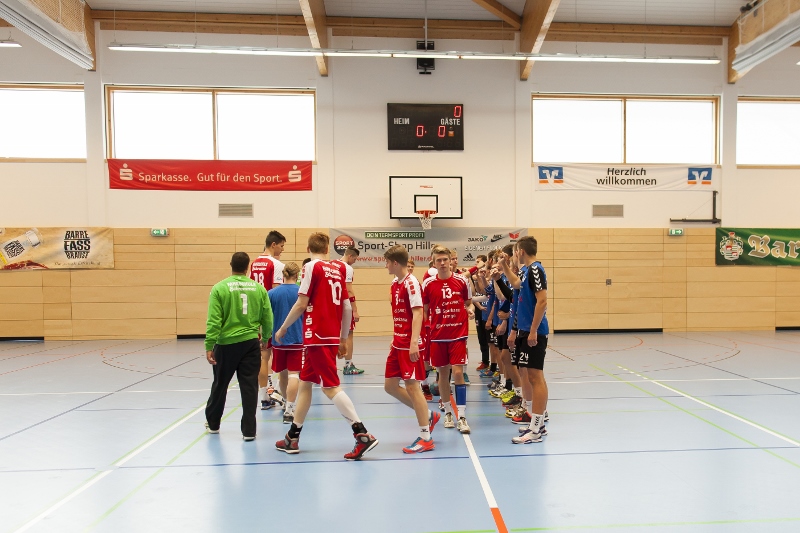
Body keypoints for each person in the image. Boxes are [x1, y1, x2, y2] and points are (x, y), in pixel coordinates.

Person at [274, 233, 378, 460]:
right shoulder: (339, 268)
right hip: (330, 334)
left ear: (308, 248)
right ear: (328, 248)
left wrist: (282, 328)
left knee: (330, 387)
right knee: (305, 384)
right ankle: (293, 437)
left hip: (316, 335)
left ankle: (361, 434)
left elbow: (301, 303)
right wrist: (342, 338)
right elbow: (347, 307)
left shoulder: (311, 267)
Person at [204, 252, 273, 441]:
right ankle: (249, 431)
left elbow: (214, 320)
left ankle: (214, 424)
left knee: (220, 384)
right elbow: (267, 316)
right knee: (249, 386)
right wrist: (265, 337)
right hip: (250, 343)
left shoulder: (219, 288)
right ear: (248, 267)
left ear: (231, 265)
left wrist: (209, 344)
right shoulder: (259, 289)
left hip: (225, 344)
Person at [383, 245, 441, 453]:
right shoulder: (394, 283)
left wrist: (414, 342)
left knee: (412, 387)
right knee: (390, 386)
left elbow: (418, 313)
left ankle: (426, 437)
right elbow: (399, 314)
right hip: (398, 342)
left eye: (387, 262)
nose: (386, 266)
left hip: (410, 343)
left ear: (395, 263)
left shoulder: (411, 283)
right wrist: (395, 336)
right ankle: (429, 415)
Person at [499, 236, 550, 444]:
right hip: (524, 330)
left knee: (536, 377)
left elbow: (542, 301)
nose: (514, 255)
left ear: (520, 251)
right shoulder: (526, 271)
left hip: (533, 332)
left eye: (515, 252)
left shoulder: (536, 269)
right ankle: (538, 424)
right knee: (530, 376)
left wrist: (533, 330)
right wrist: (504, 265)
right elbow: (515, 284)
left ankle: (536, 429)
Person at [422, 245, 474, 434]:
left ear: (451, 261)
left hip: (458, 334)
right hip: (438, 337)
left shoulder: (462, 281)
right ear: (434, 262)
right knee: (443, 375)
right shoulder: (428, 284)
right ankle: (448, 413)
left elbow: (469, 303)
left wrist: (470, 310)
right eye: (439, 260)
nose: (443, 263)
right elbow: (424, 311)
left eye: (445, 259)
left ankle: (462, 416)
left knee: (458, 373)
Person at [249, 230, 286, 409]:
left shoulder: (254, 263)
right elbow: (276, 291)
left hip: (256, 315)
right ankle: (277, 391)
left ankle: (264, 397)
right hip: (271, 315)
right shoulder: (276, 264)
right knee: (280, 355)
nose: (282, 249)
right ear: (273, 244)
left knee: (263, 356)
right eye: (281, 246)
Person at [268, 262, 303, 424]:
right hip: (297, 338)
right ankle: (290, 408)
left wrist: (265, 336)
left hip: (278, 340)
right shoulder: (301, 293)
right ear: (297, 275)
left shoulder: (272, 293)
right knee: (294, 374)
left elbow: (267, 317)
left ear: (283, 274)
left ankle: (284, 402)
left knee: (282, 373)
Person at [333, 247, 365, 375]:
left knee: (331, 334)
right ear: (350, 256)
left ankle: (329, 364)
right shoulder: (347, 268)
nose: (355, 262)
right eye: (355, 259)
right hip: (343, 305)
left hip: (331, 305)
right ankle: (348, 365)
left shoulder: (332, 263)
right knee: (349, 333)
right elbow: (349, 290)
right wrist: (355, 310)